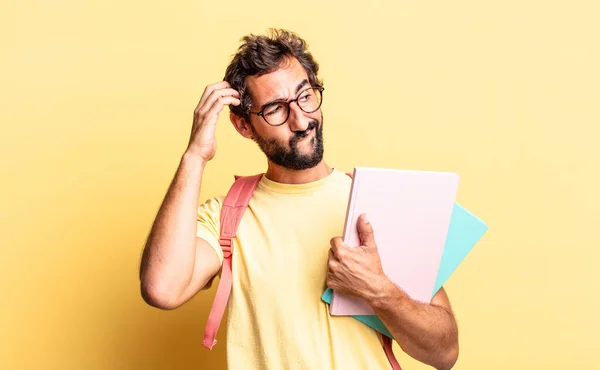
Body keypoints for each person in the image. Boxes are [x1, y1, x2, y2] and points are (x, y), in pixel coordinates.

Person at [139, 29, 459, 370]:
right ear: (244, 125)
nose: (301, 120)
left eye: (305, 96)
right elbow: (162, 289)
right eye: (276, 109)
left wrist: (379, 290)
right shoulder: (226, 217)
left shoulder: (378, 204)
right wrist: (195, 156)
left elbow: (444, 353)